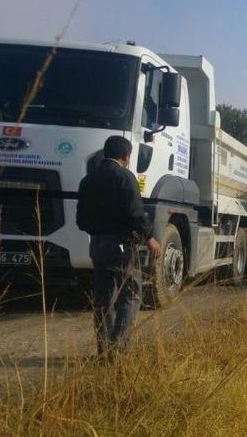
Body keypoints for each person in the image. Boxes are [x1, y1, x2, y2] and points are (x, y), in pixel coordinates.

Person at [76, 136, 161, 356]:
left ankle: (104, 350)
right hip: (121, 246)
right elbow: (135, 212)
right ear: (126, 156)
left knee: (103, 299)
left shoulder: (88, 180)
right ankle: (118, 349)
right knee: (131, 294)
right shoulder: (124, 177)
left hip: (96, 245)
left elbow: (80, 220)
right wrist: (149, 237)